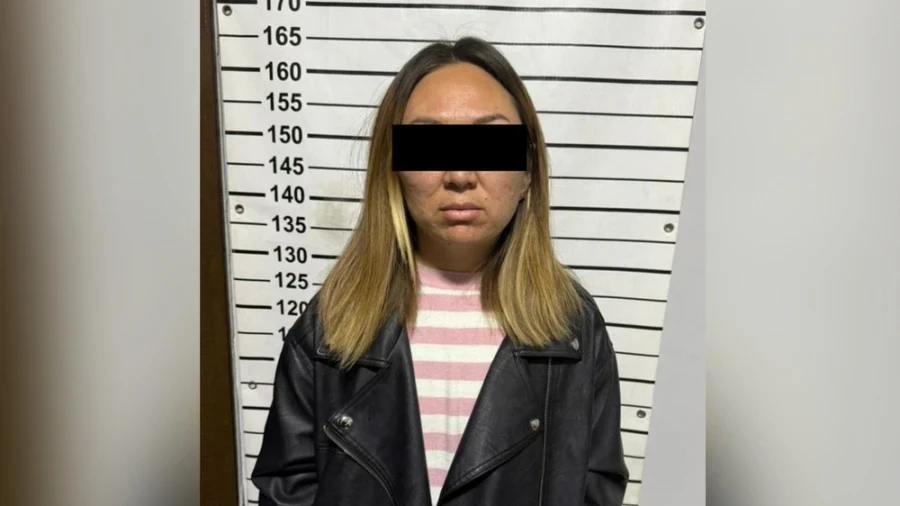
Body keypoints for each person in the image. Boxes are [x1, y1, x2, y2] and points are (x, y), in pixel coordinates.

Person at [251, 36, 629, 506]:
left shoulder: (574, 330)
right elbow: (287, 491)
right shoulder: (330, 328)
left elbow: (596, 488)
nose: (460, 174)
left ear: (528, 169)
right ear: (393, 167)